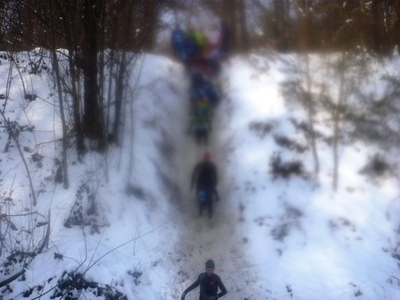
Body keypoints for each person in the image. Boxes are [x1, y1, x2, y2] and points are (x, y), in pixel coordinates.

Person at [191, 152, 219, 219]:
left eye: (207, 158)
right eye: (207, 158)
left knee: (206, 201)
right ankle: (205, 215)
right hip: (204, 185)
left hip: (204, 185)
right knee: (204, 200)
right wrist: (214, 184)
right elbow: (215, 176)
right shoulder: (209, 165)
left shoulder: (201, 165)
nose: (207, 159)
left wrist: (192, 183)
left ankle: (206, 216)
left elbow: (194, 174)